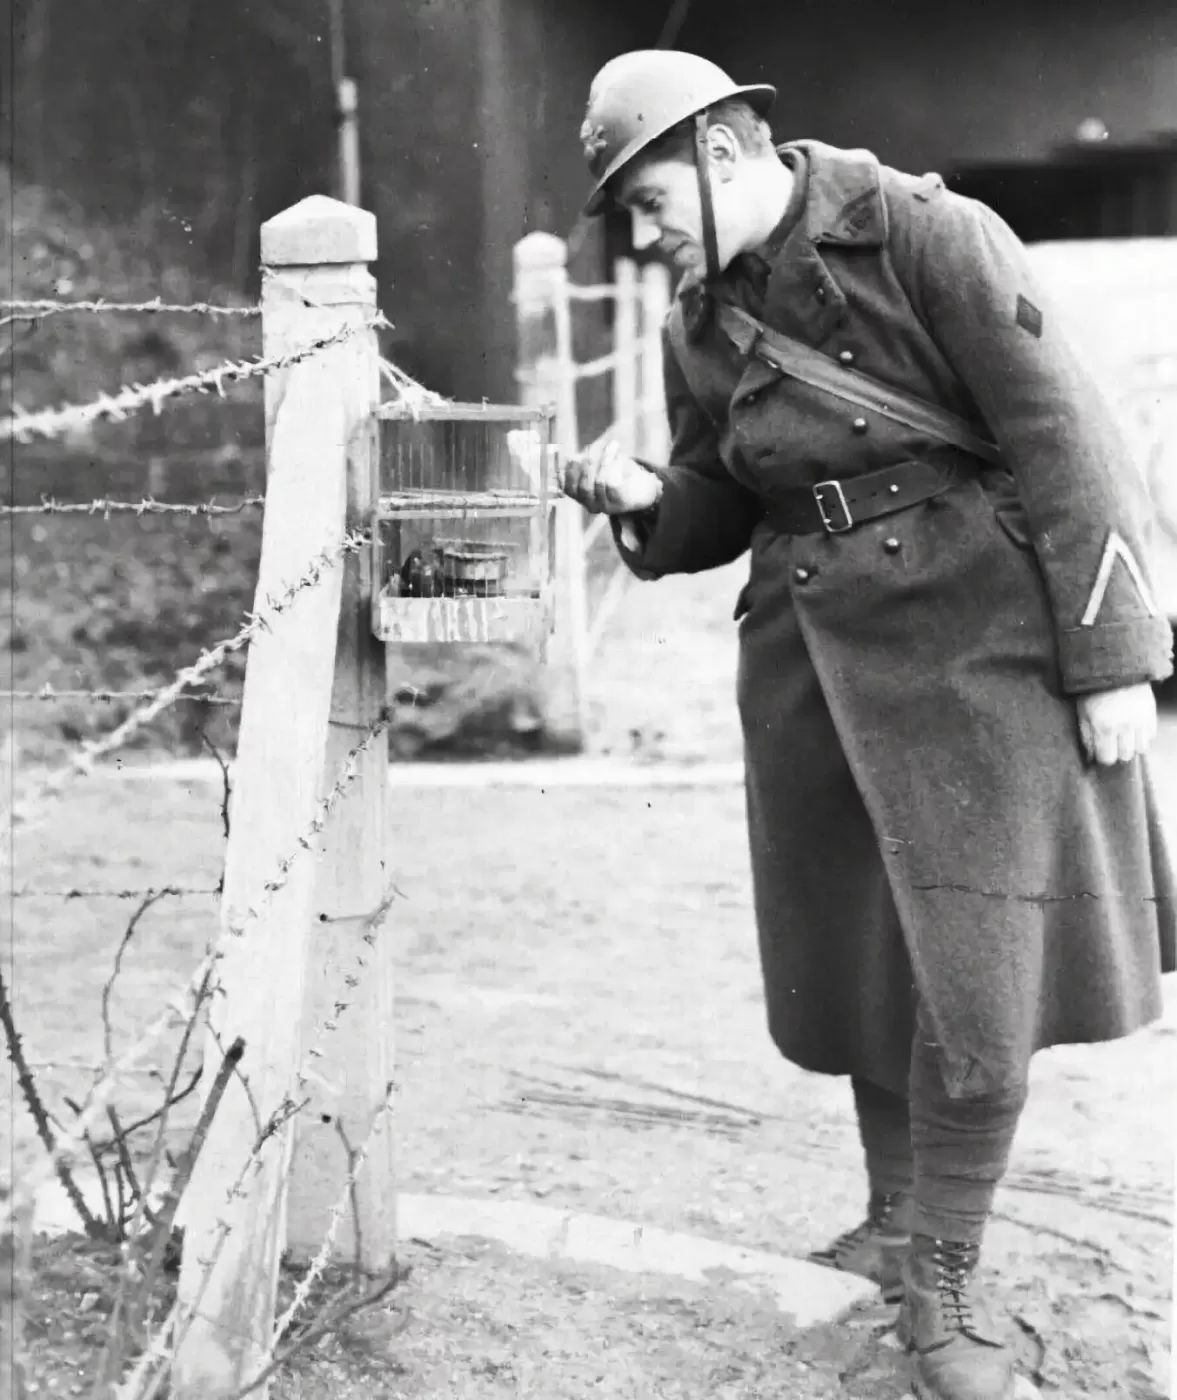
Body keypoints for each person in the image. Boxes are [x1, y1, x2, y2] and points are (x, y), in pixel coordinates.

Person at [562, 49, 1177, 1400]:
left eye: (650, 199)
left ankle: (943, 1282)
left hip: (979, 652)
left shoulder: (920, 233)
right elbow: (722, 497)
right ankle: (897, 1221)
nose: (645, 235)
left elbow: (1071, 435)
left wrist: (1116, 655)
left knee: (978, 974)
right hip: (811, 662)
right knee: (859, 964)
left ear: (726, 152)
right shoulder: (702, 322)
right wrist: (640, 503)